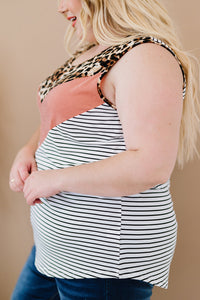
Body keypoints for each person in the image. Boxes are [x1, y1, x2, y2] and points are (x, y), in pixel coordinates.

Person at [9, 0, 200, 299]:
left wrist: (54, 179)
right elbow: (60, 120)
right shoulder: (91, 52)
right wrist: (28, 150)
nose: (60, 8)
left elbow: (151, 164)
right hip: (57, 246)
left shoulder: (146, 55)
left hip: (102, 258)